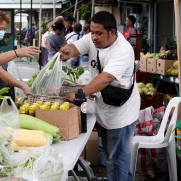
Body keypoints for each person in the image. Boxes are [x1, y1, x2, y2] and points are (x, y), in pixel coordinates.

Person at [60, 11, 140, 181]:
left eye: (99, 33)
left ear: (112, 32)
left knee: (117, 160)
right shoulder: (93, 38)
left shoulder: (123, 50)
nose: (94, 37)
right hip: (105, 107)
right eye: (93, 32)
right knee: (115, 159)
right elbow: (77, 47)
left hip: (121, 114)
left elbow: (106, 78)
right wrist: (69, 51)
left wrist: (79, 94)